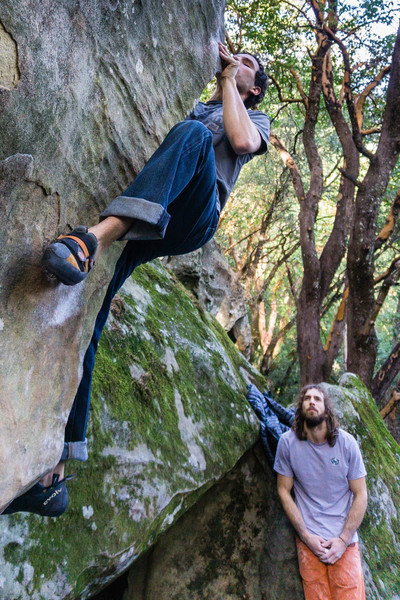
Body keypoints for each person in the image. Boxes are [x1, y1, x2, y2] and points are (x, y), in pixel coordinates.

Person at [2, 42, 270, 517]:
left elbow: (242, 143)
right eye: (238, 58)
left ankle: (91, 241)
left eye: (250, 65)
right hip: (150, 215)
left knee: (190, 135)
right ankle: (54, 475)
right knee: (89, 318)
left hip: (193, 217)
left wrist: (228, 78)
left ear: (256, 90)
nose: (239, 62)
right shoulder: (197, 106)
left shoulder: (252, 120)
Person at [274, 384, 368, 600]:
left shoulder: (346, 444)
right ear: (301, 407)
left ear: (327, 408)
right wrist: (306, 536)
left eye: (317, 398)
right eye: (307, 398)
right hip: (310, 542)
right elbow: (283, 490)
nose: (312, 402)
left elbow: (361, 494)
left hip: (344, 540)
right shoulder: (287, 443)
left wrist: (343, 540)